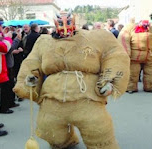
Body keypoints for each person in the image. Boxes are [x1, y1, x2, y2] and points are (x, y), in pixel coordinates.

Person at [13, 11, 130, 148]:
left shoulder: (96, 37)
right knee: (49, 128)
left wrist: (109, 79)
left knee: (97, 127)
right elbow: (32, 61)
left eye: (68, 23)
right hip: (52, 96)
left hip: (87, 95)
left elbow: (115, 54)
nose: (64, 29)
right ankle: (63, 142)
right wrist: (29, 79)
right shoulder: (44, 42)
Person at [118, 19, 152, 93]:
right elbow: (123, 39)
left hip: (150, 55)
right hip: (134, 57)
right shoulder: (129, 27)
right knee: (132, 73)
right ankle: (130, 87)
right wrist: (125, 53)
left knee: (151, 73)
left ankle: (150, 87)